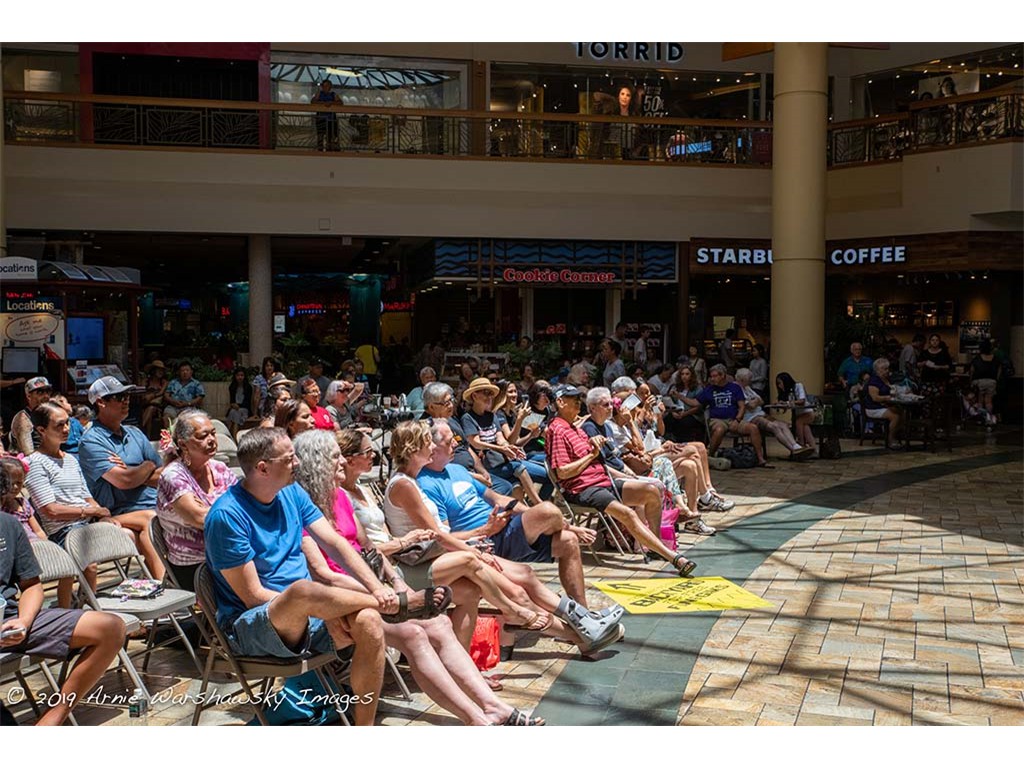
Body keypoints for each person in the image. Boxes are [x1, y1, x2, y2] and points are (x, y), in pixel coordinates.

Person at [292, 430, 544, 726]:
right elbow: (321, 573)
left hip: (374, 587)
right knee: (414, 634)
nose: (342, 462)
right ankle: (477, 719)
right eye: (336, 457)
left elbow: (368, 548)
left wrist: (396, 582)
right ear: (318, 463)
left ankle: (493, 707)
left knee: (439, 623)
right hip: (342, 600)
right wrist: (386, 592)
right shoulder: (304, 509)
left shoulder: (340, 498)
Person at [204, 428, 442, 727]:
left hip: (308, 613)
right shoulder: (227, 516)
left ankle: (364, 729)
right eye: (289, 459)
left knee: (368, 621)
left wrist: (374, 587)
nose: (298, 463)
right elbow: (253, 596)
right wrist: (319, 609)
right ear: (263, 468)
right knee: (303, 590)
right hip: (251, 627)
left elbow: (335, 543)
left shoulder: (291, 492)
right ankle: (397, 604)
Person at [384, 421, 623, 657]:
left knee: (558, 546)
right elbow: (437, 534)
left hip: (464, 545)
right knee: (516, 591)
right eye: (439, 442)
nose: (456, 445)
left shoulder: (425, 477)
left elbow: (492, 502)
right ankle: (583, 634)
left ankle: (585, 621)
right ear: (416, 449)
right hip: (453, 550)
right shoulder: (412, 484)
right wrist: (481, 537)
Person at [546, 384, 698, 575]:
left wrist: (594, 446)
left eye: (579, 398)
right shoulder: (558, 430)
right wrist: (592, 455)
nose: (578, 402)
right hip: (584, 488)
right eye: (573, 399)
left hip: (603, 480)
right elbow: (562, 473)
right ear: (560, 402)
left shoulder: (575, 428)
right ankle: (673, 557)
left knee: (652, 491)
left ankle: (655, 546)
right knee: (628, 514)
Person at [0, 512, 126, 726]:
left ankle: (52, 719)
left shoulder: (8, 524)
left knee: (110, 628)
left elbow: (31, 585)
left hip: (9, 619)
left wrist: (24, 621)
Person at [25, 402, 117, 607]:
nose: (66, 429)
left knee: (127, 530)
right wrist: (90, 511)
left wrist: (102, 514)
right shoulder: (36, 463)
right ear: (41, 430)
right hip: (62, 531)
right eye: (59, 425)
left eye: (67, 423)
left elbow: (86, 495)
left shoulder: (71, 460)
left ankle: (85, 604)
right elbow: (50, 510)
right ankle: (88, 607)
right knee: (88, 564)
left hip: (86, 524)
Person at [77, 376, 164, 581]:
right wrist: (146, 466)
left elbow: (163, 475)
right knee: (151, 520)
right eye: (119, 397)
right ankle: (163, 585)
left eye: (127, 396)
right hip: (120, 511)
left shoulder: (135, 433)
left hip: (154, 502)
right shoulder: (91, 441)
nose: (126, 401)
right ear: (101, 402)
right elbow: (124, 481)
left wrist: (134, 472)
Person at [156, 409, 237, 590]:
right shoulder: (173, 476)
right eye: (202, 436)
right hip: (196, 565)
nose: (212, 440)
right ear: (183, 444)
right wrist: (225, 509)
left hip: (228, 552)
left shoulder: (219, 468)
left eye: (213, 433)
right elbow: (201, 519)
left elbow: (245, 505)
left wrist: (213, 510)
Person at [461, 378, 549, 505]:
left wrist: (510, 448)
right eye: (486, 393)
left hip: (502, 462)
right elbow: (475, 443)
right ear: (474, 396)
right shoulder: (468, 418)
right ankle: (539, 505)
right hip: (486, 467)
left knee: (516, 487)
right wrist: (502, 448)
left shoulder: (492, 416)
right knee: (519, 467)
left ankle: (524, 514)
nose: (490, 397)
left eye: (491, 394)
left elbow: (502, 439)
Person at [423, 381, 511, 495]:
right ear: (431, 406)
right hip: (454, 479)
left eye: (451, 400)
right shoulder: (428, 428)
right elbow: (436, 465)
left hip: (472, 472)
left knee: (506, 486)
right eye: (446, 403)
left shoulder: (452, 420)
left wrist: (482, 471)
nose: (451, 405)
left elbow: (467, 447)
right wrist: (472, 476)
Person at [682, 364, 770, 467]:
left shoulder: (735, 388)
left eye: (715, 376)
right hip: (717, 419)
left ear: (722, 375)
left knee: (753, 428)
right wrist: (680, 397)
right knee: (719, 430)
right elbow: (694, 403)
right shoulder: (709, 389)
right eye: (711, 376)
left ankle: (760, 458)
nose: (712, 379)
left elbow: (742, 407)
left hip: (733, 419)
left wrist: (737, 420)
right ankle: (709, 455)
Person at [735, 368, 812, 459]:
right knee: (774, 427)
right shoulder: (736, 389)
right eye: (749, 379)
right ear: (742, 379)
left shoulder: (747, 388)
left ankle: (796, 446)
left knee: (783, 425)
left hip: (761, 414)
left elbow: (761, 401)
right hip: (751, 417)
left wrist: (755, 401)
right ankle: (793, 449)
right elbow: (751, 405)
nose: (751, 381)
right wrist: (756, 401)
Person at [774, 372, 818, 457]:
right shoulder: (787, 391)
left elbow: (802, 401)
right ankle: (813, 450)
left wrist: (787, 403)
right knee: (805, 428)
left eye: (780, 383)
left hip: (808, 412)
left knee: (798, 422)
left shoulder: (798, 386)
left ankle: (801, 444)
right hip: (799, 414)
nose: (779, 386)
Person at [863, 359, 902, 450]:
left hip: (884, 405)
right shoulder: (874, 381)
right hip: (873, 407)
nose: (887, 371)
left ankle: (893, 434)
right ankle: (890, 439)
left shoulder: (887, 380)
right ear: (877, 370)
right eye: (884, 369)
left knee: (902, 412)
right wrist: (887, 398)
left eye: (887, 368)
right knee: (895, 416)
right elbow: (875, 398)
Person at [9, 376, 53, 455]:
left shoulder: (48, 416)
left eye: (48, 391)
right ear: (29, 396)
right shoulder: (23, 418)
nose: (46, 396)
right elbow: (28, 453)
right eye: (40, 392)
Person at [664, 365, 706, 443]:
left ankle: (683, 443)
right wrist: (673, 412)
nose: (684, 376)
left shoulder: (698, 388)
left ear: (692, 375)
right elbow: (669, 401)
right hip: (676, 411)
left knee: (684, 422)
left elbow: (698, 407)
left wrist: (684, 414)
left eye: (687, 374)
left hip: (691, 413)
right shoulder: (675, 387)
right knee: (668, 419)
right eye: (682, 374)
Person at [916, 333, 953, 415]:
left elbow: (949, 366)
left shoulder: (944, 353)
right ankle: (926, 417)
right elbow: (918, 364)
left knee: (938, 401)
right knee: (926, 401)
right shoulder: (924, 353)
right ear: (929, 342)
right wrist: (924, 363)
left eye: (936, 340)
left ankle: (937, 418)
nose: (934, 342)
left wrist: (940, 367)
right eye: (933, 340)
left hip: (939, 381)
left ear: (939, 342)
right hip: (926, 380)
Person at [163, 362, 205, 429]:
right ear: (179, 372)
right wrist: (173, 401)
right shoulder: (173, 382)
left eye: (187, 370)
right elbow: (166, 395)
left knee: (186, 420)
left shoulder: (196, 384)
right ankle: (169, 434)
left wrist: (187, 403)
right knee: (166, 418)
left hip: (189, 407)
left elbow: (200, 397)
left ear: (191, 372)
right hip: (173, 406)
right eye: (182, 371)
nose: (185, 372)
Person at [970, 340, 1002, 422]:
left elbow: (972, 370)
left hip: (979, 381)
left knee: (980, 401)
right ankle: (989, 419)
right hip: (991, 381)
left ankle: (980, 419)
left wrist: (971, 381)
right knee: (989, 401)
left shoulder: (977, 358)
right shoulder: (996, 359)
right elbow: (999, 371)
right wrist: (996, 380)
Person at [140, 360, 169, 438]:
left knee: (151, 408)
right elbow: (141, 392)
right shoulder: (146, 381)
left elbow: (161, 393)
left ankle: (139, 428)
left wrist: (152, 396)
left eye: (162, 371)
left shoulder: (163, 382)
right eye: (158, 370)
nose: (160, 372)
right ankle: (147, 437)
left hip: (157, 406)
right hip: (145, 404)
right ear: (153, 370)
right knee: (148, 413)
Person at [311, 80, 339, 152]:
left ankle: (329, 150)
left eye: (327, 86)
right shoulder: (319, 93)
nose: (325, 87)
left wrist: (331, 103)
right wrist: (323, 103)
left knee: (331, 136)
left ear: (330, 87)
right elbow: (313, 102)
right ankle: (320, 150)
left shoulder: (333, 94)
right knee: (320, 135)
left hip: (331, 119)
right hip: (321, 118)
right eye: (324, 86)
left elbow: (340, 103)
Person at [225, 367, 253, 438]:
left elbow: (247, 403)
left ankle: (231, 436)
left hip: (244, 410)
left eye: (242, 375)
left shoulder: (248, 387)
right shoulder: (232, 387)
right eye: (238, 375)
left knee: (235, 413)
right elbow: (231, 401)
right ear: (235, 376)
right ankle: (233, 437)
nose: (240, 377)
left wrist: (238, 406)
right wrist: (233, 405)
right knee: (234, 412)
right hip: (234, 409)